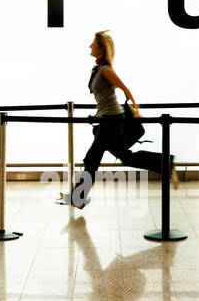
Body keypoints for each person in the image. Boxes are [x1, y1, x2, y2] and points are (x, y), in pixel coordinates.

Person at [59, 30, 177, 209]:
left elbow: (125, 89)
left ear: (101, 48)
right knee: (126, 157)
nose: (90, 46)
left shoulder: (106, 70)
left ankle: (78, 197)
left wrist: (135, 111)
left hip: (112, 121)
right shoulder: (96, 69)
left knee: (92, 158)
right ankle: (166, 163)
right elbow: (103, 97)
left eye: (93, 43)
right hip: (104, 120)